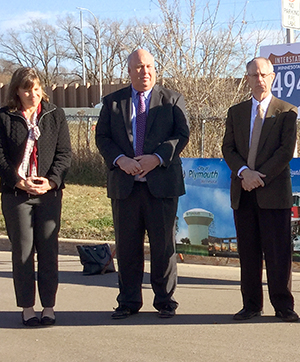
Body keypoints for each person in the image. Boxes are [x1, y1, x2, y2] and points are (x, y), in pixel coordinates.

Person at [95, 49, 190, 319]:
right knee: (127, 248)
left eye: (148, 66)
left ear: (155, 69)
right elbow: (102, 138)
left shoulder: (172, 100)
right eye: (138, 67)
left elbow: (182, 135)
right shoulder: (112, 102)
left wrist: (157, 158)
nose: (144, 71)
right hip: (125, 187)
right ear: (129, 71)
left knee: (163, 248)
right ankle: (128, 301)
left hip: (161, 187)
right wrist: (120, 159)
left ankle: (165, 301)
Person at [222, 57, 299, 322]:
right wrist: (244, 173)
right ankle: (251, 305)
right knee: (248, 253)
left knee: (278, 254)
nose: (260, 79)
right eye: (254, 75)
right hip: (243, 192)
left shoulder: (287, 111)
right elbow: (228, 149)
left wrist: (259, 177)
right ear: (247, 79)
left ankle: (283, 306)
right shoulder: (236, 112)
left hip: (273, 192)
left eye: (264, 74)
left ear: (273, 77)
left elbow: (285, 152)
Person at [0, 67, 72, 326]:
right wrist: (18, 180)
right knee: (23, 252)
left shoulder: (55, 115)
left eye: (37, 87)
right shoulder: (5, 117)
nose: (34, 93)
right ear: (17, 92)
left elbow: (64, 154)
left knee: (48, 250)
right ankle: (27, 308)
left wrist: (51, 182)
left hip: (48, 195)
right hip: (16, 194)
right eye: (27, 89)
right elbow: (1, 158)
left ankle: (49, 307)